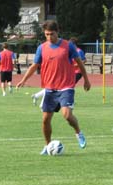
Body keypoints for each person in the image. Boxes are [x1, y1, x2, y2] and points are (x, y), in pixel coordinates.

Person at [17, 20, 91, 155]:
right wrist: (23, 80)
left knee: (67, 115)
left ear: (57, 32)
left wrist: (86, 80)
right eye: (47, 34)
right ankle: (47, 146)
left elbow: (80, 63)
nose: (49, 37)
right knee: (45, 120)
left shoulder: (68, 46)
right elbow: (34, 66)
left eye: (52, 34)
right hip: (50, 89)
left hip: (66, 87)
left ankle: (78, 133)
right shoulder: (41, 48)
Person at [32, 37, 86, 105]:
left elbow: (83, 60)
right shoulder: (66, 49)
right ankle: (39, 97)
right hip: (68, 73)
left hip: (77, 72)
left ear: (74, 44)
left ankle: (67, 100)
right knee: (61, 87)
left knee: (67, 87)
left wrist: (74, 65)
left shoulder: (79, 51)